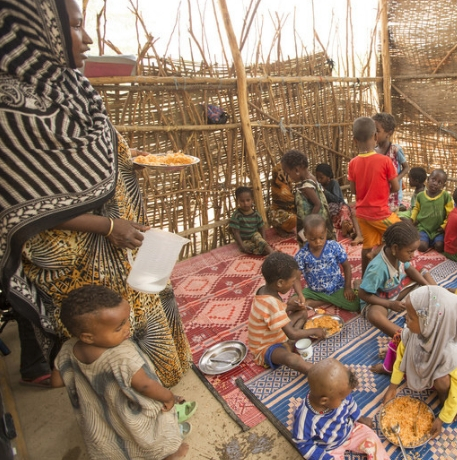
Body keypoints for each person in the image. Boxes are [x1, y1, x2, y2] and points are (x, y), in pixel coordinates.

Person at [0, 0, 190, 388]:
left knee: (147, 307)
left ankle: (162, 394)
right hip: (79, 260)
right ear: (41, 30)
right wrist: (106, 226)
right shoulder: (11, 110)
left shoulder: (72, 88)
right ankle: (133, 419)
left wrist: (126, 159)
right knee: (109, 343)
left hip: (123, 240)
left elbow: (88, 163)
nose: (86, 38)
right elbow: (16, 207)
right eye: (74, 26)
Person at [52, 285, 189, 459]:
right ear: (88, 337)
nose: (128, 328)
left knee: (118, 444)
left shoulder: (68, 348)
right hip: (130, 410)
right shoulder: (121, 355)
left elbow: (56, 381)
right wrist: (168, 397)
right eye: (119, 327)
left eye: (126, 320)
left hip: (101, 416)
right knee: (154, 432)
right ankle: (172, 455)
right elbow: (145, 385)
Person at [382, 286, 457, 439]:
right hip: (419, 370)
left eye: (410, 317)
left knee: (443, 380)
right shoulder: (411, 334)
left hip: (436, 379)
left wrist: (443, 418)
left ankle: (443, 398)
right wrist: (392, 387)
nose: (405, 319)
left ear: (428, 323)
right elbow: (400, 358)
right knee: (398, 337)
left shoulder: (450, 352)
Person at [293, 358, 390, 460]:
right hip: (329, 448)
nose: (345, 399)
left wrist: (361, 418)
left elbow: (350, 403)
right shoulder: (305, 419)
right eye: (342, 398)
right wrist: (324, 457)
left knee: (372, 437)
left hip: (350, 431)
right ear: (324, 401)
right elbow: (303, 444)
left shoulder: (337, 395)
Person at [247, 253, 326, 374]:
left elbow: (272, 313)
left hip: (275, 331)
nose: (294, 284)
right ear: (280, 283)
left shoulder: (263, 289)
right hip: (266, 347)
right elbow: (293, 333)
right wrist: (316, 331)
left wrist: (290, 307)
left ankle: (288, 344)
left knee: (302, 313)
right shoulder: (272, 302)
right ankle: (315, 372)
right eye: (292, 281)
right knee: (290, 358)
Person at [358, 222, 436, 337]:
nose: (413, 255)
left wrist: (428, 286)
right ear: (395, 248)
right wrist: (390, 304)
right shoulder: (378, 269)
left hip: (395, 293)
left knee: (422, 272)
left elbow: (410, 270)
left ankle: (437, 293)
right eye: (410, 251)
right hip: (381, 302)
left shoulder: (398, 256)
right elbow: (363, 294)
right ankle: (404, 337)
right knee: (374, 315)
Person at [347, 117, 401, 274]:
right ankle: (392, 272)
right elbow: (396, 187)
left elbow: (354, 191)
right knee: (402, 235)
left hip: (362, 214)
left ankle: (365, 278)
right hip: (379, 212)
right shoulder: (385, 161)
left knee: (367, 245)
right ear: (375, 136)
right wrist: (383, 190)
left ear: (354, 140)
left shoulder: (353, 163)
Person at [295, 215, 359, 312]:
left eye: (321, 237)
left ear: (326, 233)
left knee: (356, 305)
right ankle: (328, 300)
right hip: (314, 291)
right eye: (313, 239)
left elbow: (346, 266)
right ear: (305, 235)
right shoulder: (302, 255)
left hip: (337, 288)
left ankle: (323, 300)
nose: (318, 242)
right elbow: (296, 278)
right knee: (293, 302)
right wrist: (300, 295)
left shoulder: (334, 246)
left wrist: (348, 287)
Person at [280, 150, 335, 242]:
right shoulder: (312, 178)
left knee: (308, 243)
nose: (288, 177)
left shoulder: (306, 186)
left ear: (297, 170)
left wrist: (309, 225)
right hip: (321, 220)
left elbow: (317, 204)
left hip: (312, 222)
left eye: (288, 173)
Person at [314, 163, 362, 244]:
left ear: (328, 177)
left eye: (321, 177)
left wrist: (324, 191)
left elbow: (337, 199)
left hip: (339, 206)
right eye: (317, 177)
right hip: (331, 212)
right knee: (331, 216)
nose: (319, 180)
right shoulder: (318, 187)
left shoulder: (334, 183)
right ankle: (349, 230)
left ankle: (346, 226)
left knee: (344, 210)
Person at [373, 113, 409, 213]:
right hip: (379, 194)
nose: (373, 134)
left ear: (389, 133)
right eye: (372, 130)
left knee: (391, 220)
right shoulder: (373, 151)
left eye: (377, 131)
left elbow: (406, 167)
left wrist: (396, 179)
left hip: (393, 195)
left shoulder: (395, 150)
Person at [411, 169, 453, 253]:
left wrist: (443, 226)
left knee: (439, 246)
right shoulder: (420, 196)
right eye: (433, 180)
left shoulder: (445, 196)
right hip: (424, 227)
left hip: (438, 230)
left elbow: (450, 213)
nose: (435, 183)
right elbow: (416, 209)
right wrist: (412, 219)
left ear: (443, 186)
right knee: (422, 247)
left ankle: (432, 241)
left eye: (439, 182)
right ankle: (425, 240)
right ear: (428, 179)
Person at [229, 186, 274, 255]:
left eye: (248, 200)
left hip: (254, 236)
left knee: (259, 239)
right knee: (249, 247)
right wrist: (242, 246)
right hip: (244, 240)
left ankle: (271, 252)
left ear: (252, 200)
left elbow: (261, 228)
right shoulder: (237, 215)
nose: (245, 203)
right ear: (237, 201)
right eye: (242, 201)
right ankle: (264, 250)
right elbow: (236, 233)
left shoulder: (256, 214)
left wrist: (264, 240)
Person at [267, 163, 298, 237]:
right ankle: (280, 228)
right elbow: (293, 201)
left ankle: (284, 228)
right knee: (296, 218)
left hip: (283, 210)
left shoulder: (280, 184)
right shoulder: (282, 189)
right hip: (277, 213)